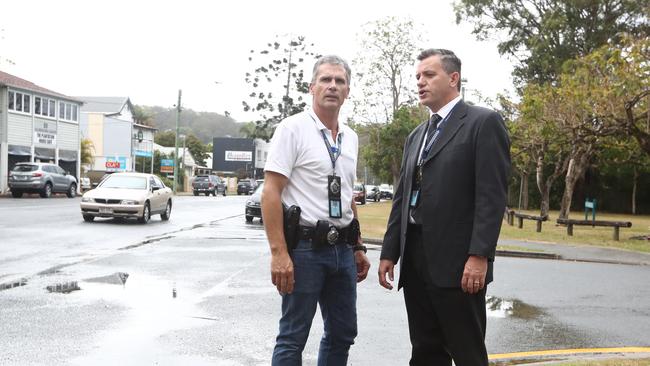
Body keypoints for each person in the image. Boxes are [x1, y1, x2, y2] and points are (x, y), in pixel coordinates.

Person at [377, 48, 511, 365]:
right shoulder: (416, 135)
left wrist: (479, 256)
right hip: (415, 259)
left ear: (453, 78)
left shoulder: (483, 123)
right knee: (424, 351)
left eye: (429, 74)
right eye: (418, 76)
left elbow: (491, 197)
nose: (420, 82)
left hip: (459, 263)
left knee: (467, 353)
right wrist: (389, 251)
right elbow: (402, 197)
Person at [262, 54, 371, 366]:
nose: (332, 86)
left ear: (348, 91)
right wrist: (279, 253)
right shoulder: (292, 129)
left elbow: (347, 195)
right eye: (325, 79)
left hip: (343, 251)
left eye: (339, 81)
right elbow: (271, 192)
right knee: (293, 337)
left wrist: (358, 246)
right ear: (312, 87)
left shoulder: (350, 137)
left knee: (343, 333)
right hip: (306, 249)